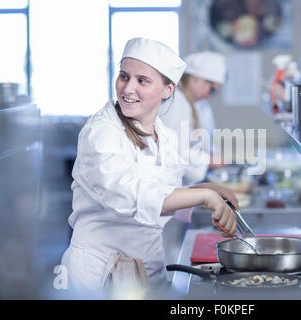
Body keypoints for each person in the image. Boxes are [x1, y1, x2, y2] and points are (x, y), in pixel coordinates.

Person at [60, 38, 238, 297]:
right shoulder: (102, 131)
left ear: (167, 90)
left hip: (147, 268)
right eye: (124, 76)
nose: (128, 88)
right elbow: (127, 194)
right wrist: (203, 196)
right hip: (100, 274)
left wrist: (204, 188)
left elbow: (163, 192)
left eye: (142, 81)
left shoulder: (163, 135)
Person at [160, 51, 227, 186]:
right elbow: (172, 149)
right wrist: (208, 160)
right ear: (196, 79)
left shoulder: (187, 102)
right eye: (212, 89)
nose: (209, 96)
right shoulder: (176, 102)